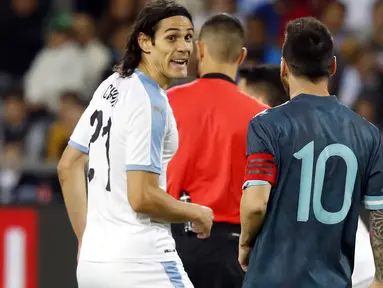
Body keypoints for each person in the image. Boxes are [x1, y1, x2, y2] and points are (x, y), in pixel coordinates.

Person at [57, 1, 214, 287]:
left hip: (95, 265)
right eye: (171, 37)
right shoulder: (149, 101)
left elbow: (68, 166)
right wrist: (196, 212)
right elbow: (141, 197)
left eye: (189, 37)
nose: (184, 47)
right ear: (145, 41)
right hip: (142, 262)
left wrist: (86, 240)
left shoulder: (111, 85)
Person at [238, 17, 383, 288]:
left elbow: (256, 204)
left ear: (283, 67)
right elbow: (379, 212)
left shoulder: (266, 125)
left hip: (270, 279)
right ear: (333, 66)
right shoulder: (368, 134)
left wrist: (245, 244)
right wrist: (381, 277)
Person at [166, 14, 268, 288]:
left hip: (177, 242)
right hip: (236, 248)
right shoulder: (263, 118)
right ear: (242, 55)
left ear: (199, 49)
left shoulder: (168, 103)